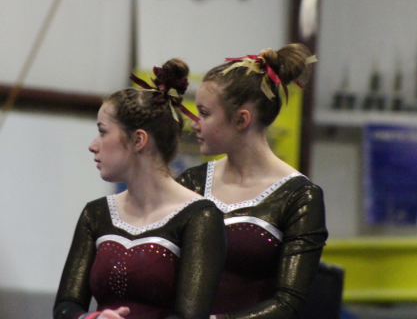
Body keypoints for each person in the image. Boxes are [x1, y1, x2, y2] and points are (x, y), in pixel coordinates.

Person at [54, 59, 227, 319]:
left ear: (138, 139)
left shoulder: (198, 217)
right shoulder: (96, 214)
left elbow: (190, 316)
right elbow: (66, 305)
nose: (93, 145)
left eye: (103, 132)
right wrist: (90, 318)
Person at [177, 44, 328, 319]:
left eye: (205, 113)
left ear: (241, 119)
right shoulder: (191, 183)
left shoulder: (299, 197)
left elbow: (288, 303)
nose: (195, 123)